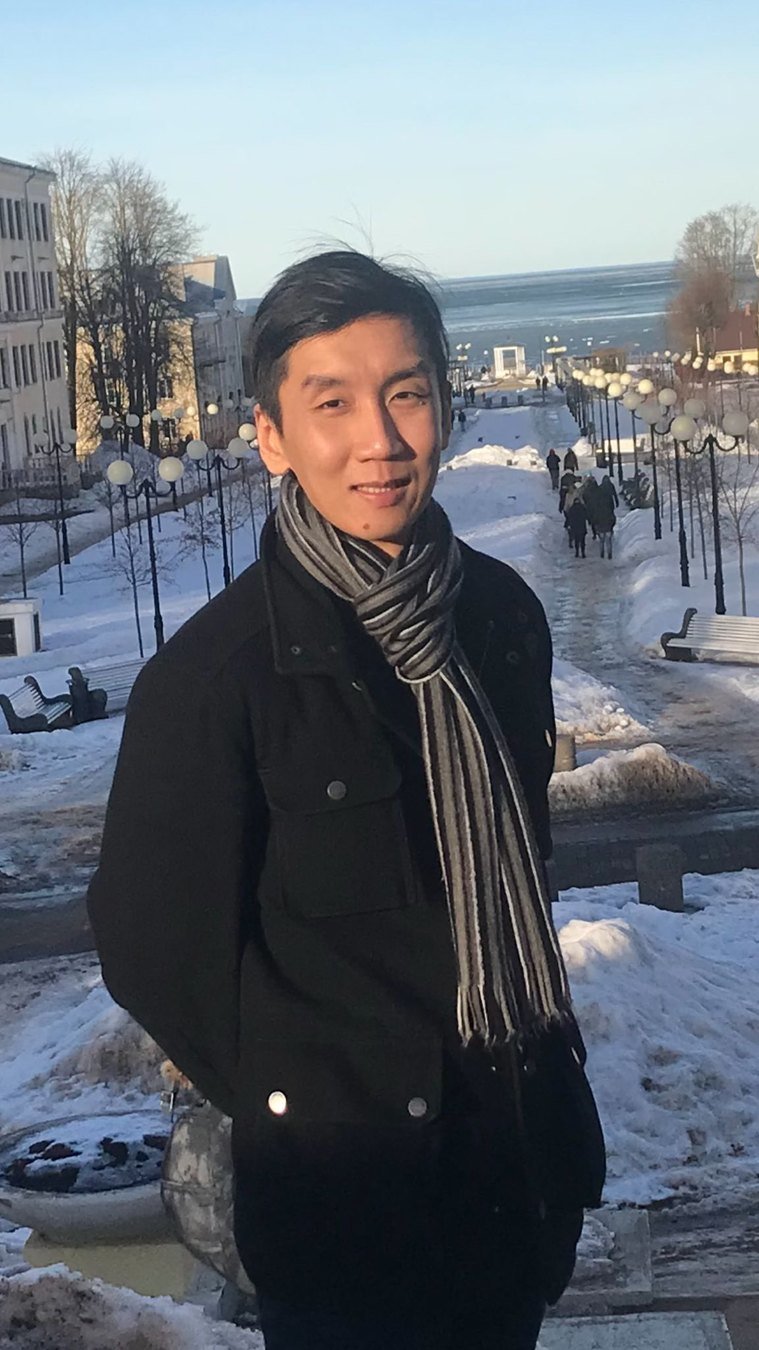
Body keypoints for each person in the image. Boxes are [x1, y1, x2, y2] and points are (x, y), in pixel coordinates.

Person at [87, 251, 604, 1350]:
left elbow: (522, 861)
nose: (379, 439)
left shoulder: (498, 620)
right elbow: (152, 950)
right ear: (272, 435)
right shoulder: (217, 679)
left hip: (512, 1187)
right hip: (344, 1225)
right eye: (332, 403)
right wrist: (315, 1095)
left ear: (444, 408)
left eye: (405, 393)